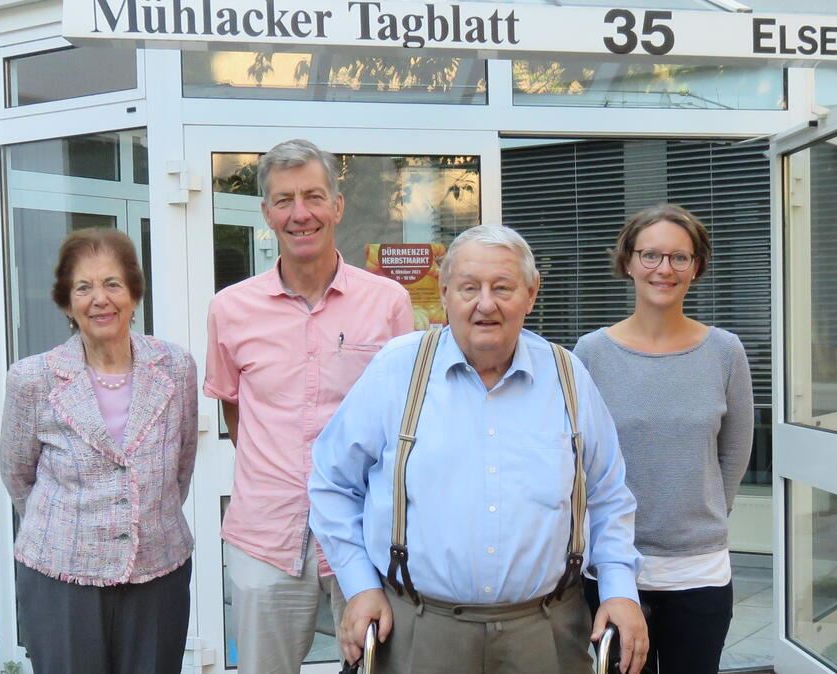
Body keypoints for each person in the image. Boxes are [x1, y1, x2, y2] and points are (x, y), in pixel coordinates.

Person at [309, 224, 649, 674]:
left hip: (545, 633)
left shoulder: (568, 375)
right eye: (469, 287)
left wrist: (619, 588)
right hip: (417, 632)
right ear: (446, 293)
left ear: (531, 294)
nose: (485, 303)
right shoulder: (398, 369)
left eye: (503, 287)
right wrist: (360, 585)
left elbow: (608, 494)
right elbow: (332, 482)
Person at [204, 138, 414, 673]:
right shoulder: (230, 309)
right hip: (267, 533)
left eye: (314, 197)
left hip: (367, 534)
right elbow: (236, 411)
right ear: (266, 214)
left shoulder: (387, 303)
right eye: (284, 200)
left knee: (376, 668)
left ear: (337, 207)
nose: (301, 214)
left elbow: (402, 414)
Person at [0, 228, 197, 674]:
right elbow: (17, 474)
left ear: (133, 293)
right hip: (61, 579)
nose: (99, 299)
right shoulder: (33, 378)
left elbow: (180, 466)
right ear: (67, 303)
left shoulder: (176, 367)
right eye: (83, 287)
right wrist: (72, 529)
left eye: (112, 283)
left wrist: (143, 516)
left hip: (158, 572)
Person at [573, 204, 754, 674]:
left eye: (679, 257)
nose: (664, 269)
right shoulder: (591, 352)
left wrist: (704, 508)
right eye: (650, 255)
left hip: (699, 568)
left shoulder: (725, 351)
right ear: (628, 261)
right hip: (614, 568)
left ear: (696, 267)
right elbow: (579, 454)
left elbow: (734, 450)